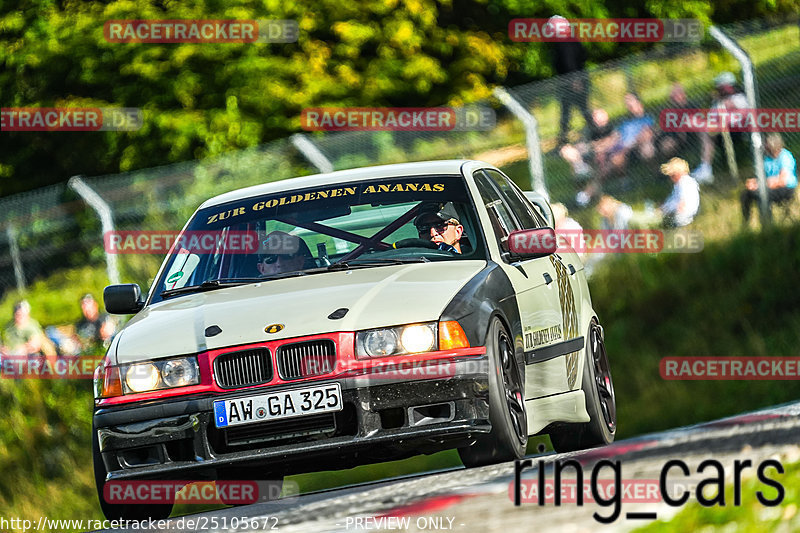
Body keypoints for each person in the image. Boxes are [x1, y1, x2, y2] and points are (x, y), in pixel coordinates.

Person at [692, 72, 749, 183]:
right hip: (720, 131)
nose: (718, 88)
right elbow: (712, 118)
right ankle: (705, 169)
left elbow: (744, 114)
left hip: (738, 131)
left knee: (708, 130)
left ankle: (706, 168)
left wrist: (725, 104)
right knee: (704, 131)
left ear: (728, 86)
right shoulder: (717, 102)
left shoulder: (739, 97)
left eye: (720, 86)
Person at [549, 15, 595, 146]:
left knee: (576, 110)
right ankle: (565, 139)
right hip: (575, 81)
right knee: (572, 110)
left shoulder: (565, 41)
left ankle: (594, 132)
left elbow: (570, 62)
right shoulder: (570, 39)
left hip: (572, 83)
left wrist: (575, 80)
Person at [741, 133, 797, 223]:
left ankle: (767, 223)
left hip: (786, 189)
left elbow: (782, 181)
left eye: (767, 145)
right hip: (769, 187)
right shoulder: (767, 158)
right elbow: (763, 178)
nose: (765, 147)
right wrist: (753, 182)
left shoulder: (785, 157)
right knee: (746, 194)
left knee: (761, 194)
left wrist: (760, 184)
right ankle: (746, 223)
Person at [658, 157, 700, 227]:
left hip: (684, 216)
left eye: (672, 175)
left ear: (678, 173)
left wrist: (665, 211)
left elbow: (682, 203)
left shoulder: (684, 183)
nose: (671, 177)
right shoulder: (681, 183)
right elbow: (673, 199)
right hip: (683, 213)